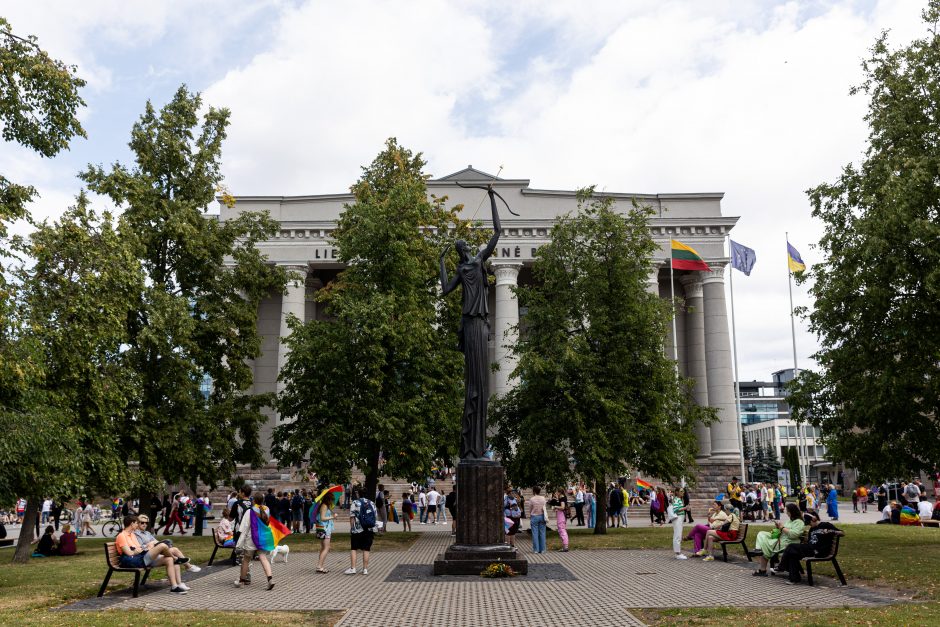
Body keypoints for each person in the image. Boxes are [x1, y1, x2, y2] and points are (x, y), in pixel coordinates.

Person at [114, 515, 188, 594]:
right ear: (132, 524)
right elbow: (129, 553)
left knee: (169, 559)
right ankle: (176, 559)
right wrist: (142, 549)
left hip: (140, 557)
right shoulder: (121, 536)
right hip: (133, 560)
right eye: (136, 523)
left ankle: (174, 587)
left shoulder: (132, 534)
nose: (137, 525)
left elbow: (138, 548)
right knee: (162, 546)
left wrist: (145, 548)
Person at [774, 510, 841, 584]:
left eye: (809, 523)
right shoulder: (812, 529)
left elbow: (842, 532)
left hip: (819, 551)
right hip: (810, 549)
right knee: (792, 554)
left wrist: (830, 531)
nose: (809, 525)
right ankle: (794, 579)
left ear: (814, 519)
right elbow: (810, 542)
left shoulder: (826, 525)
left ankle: (781, 567)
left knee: (791, 547)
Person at [752, 503, 806, 576]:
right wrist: (779, 527)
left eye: (787, 511)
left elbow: (793, 534)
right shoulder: (790, 521)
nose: (786, 512)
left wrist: (782, 528)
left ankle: (762, 570)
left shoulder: (799, 522)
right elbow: (784, 531)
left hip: (789, 544)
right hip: (782, 541)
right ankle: (758, 550)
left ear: (791, 512)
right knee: (761, 534)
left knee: (764, 545)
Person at [234, 494, 275, 590]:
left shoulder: (250, 511)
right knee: (263, 558)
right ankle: (270, 579)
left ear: (254, 501)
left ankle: (242, 581)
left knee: (246, 560)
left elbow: (244, 528)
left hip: (251, 539)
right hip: (262, 539)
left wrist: (239, 543)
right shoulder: (267, 510)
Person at [135, 515, 201, 573]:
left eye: (146, 523)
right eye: (142, 522)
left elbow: (157, 542)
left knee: (174, 550)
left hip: (157, 551)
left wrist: (156, 543)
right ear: (137, 523)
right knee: (173, 558)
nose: (144, 524)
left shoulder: (147, 533)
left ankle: (180, 580)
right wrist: (150, 544)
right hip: (148, 556)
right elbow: (140, 547)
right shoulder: (136, 534)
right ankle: (187, 567)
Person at [346, 490, 375, 575]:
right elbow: (374, 516)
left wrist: (351, 528)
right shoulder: (372, 503)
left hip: (357, 529)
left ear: (358, 494)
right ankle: (365, 569)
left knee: (354, 548)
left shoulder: (355, 502)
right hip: (369, 529)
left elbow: (352, 517)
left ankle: (353, 568)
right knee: (366, 549)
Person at [315, 491, 336, 573]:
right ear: (328, 499)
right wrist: (332, 517)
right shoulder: (324, 506)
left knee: (323, 548)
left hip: (324, 528)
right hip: (325, 529)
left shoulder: (326, 506)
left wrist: (332, 515)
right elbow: (323, 518)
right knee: (326, 548)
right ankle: (319, 566)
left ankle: (320, 565)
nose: (332, 501)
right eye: (332, 500)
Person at [667, 486, 687, 560]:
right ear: (677, 492)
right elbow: (676, 509)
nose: (683, 493)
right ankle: (677, 553)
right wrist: (685, 508)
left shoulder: (678, 499)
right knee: (677, 535)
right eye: (681, 491)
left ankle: (678, 552)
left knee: (678, 535)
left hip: (679, 519)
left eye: (683, 491)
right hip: (678, 518)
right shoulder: (676, 499)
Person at [529, 487, 547, 554]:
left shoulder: (532, 499)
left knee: (535, 533)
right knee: (542, 533)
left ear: (534, 491)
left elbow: (530, 508)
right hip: (542, 516)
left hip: (534, 516)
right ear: (539, 491)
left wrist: (530, 515)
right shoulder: (543, 498)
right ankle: (542, 549)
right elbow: (544, 506)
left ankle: (536, 549)